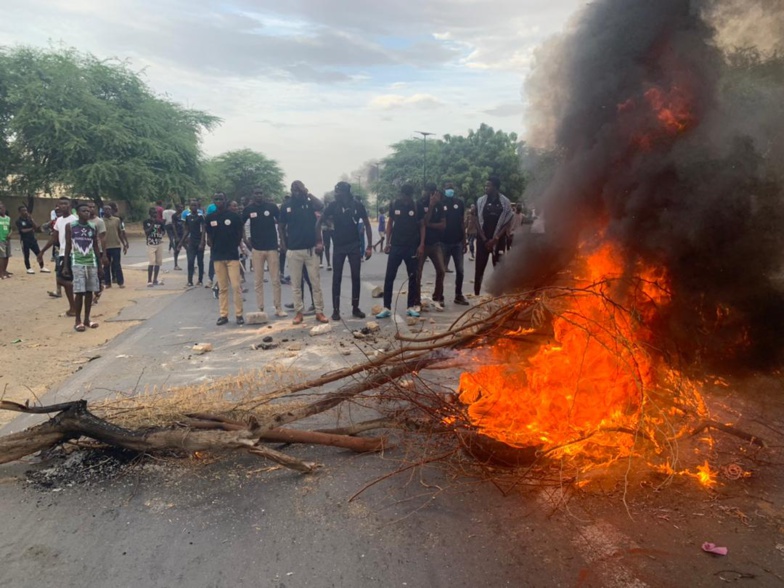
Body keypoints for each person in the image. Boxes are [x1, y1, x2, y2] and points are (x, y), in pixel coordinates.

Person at [279, 180, 329, 325]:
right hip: (294, 250)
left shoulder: (310, 203)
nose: (297, 192)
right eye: (294, 189)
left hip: (311, 250)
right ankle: (298, 313)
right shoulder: (286, 206)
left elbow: (321, 206)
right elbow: (281, 227)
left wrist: (308, 193)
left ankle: (319, 312)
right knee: (296, 284)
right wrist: (283, 245)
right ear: (291, 190)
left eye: (299, 189)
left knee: (315, 283)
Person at [322, 181, 373, 321]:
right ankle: (335, 310)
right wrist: (321, 240)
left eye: (338, 192)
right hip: (338, 246)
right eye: (335, 191)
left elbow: (367, 225)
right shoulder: (332, 206)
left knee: (355, 276)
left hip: (354, 245)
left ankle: (355, 307)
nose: (336, 194)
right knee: (336, 278)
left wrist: (369, 247)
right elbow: (320, 220)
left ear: (346, 192)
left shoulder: (357, 205)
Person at [376, 184, 424, 319]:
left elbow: (422, 225)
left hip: (412, 246)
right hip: (396, 246)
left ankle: (410, 307)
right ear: (401, 194)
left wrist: (421, 244)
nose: (406, 199)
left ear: (411, 195)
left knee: (413, 277)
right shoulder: (395, 204)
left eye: (408, 196)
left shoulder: (416, 206)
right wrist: (387, 243)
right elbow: (390, 223)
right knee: (389, 276)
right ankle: (386, 307)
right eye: (404, 196)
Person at [243, 188, 287, 318]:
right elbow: (242, 224)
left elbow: (280, 224)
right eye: (256, 193)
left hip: (272, 248)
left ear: (263, 195)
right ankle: (260, 308)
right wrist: (246, 240)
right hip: (257, 249)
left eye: (260, 193)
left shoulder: (272, 207)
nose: (259, 195)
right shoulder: (248, 209)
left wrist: (281, 241)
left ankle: (278, 308)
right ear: (253, 195)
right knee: (258, 281)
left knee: (275, 279)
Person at [63, 202, 104, 331]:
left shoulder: (93, 227)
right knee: (79, 291)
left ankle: (87, 319)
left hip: (91, 261)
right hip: (77, 261)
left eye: (88, 211)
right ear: (77, 213)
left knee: (89, 291)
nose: (87, 212)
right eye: (83, 211)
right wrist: (65, 265)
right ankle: (77, 320)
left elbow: (96, 247)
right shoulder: (70, 226)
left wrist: (100, 265)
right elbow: (68, 246)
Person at [205, 192, 245, 325]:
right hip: (217, 256)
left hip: (232, 256)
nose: (218, 201)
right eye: (216, 199)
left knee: (236, 286)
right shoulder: (210, 218)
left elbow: (240, 233)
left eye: (221, 199)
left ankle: (239, 314)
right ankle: (224, 315)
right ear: (213, 201)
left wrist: (234, 245)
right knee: (222, 288)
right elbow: (209, 235)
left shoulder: (234, 216)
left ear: (225, 200)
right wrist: (212, 244)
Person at [473, 176, 514, 296]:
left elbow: (507, 223)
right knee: (479, 267)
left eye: (488, 185)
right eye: (485, 185)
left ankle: (498, 293)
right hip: (483, 240)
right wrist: (485, 239)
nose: (485, 188)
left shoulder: (505, 203)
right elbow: (476, 220)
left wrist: (495, 239)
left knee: (499, 267)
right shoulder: (480, 201)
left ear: (495, 187)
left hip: (498, 240)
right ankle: (476, 293)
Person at [38, 197, 78, 315]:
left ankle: (74, 306)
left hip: (71, 254)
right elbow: (54, 238)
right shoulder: (59, 221)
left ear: (70, 205)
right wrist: (43, 251)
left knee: (62, 279)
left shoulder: (74, 220)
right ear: (57, 206)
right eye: (60, 204)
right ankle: (73, 307)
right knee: (62, 279)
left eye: (65, 203)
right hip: (61, 253)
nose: (63, 206)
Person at [417, 183, 447, 310]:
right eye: (427, 191)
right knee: (418, 273)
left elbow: (443, 225)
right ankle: (416, 300)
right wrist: (430, 206)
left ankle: (437, 297)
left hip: (435, 244)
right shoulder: (419, 203)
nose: (429, 194)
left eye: (431, 191)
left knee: (441, 270)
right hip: (422, 244)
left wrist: (428, 225)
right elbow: (423, 222)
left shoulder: (439, 205)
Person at [440, 183, 469, 305]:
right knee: (441, 271)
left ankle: (458, 295)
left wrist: (464, 240)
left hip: (457, 242)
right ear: (444, 190)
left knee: (460, 271)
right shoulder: (441, 203)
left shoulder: (459, 203)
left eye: (451, 188)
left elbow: (462, 222)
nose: (450, 191)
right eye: (447, 189)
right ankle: (439, 296)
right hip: (443, 242)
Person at [178, 199, 206, 287]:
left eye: (195, 205)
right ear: (189, 207)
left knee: (200, 262)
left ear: (198, 206)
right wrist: (181, 242)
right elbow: (186, 230)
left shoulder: (201, 216)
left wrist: (202, 242)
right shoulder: (188, 217)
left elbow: (203, 229)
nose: (194, 207)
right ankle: (190, 281)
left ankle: (200, 280)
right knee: (190, 261)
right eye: (192, 205)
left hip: (199, 241)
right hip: (191, 242)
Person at [15, 205, 50, 274]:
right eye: (23, 210)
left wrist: (32, 219)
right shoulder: (18, 221)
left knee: (38, 253)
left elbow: (36, 227)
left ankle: (42, 267)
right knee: (26, 254)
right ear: (19, 212)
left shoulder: (29, 219)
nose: (25, 212)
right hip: (25, 240)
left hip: (32, 239)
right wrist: (31, 229)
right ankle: (28, 268)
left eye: (26, 210)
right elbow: (22, 231)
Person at [102, 204, 128, 289]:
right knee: (106, 265)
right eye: (105, 209)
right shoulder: (101, 221)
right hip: (105, 247)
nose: (107, 211)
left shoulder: (117, 220)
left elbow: (120, 232)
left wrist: (124, 243)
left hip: (116, 245)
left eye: (109, 209)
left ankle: (120, 282)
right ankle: (107, 283)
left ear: (111, 210)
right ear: (103, 211)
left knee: (117, 265)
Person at [143, 207, 166, 287]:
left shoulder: (160, 222)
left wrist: (161, 233)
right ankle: (149, 280)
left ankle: (155, 279)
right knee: (151, 262)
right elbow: (147, 232)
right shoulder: (146, 222)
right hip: (151, 244)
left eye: (156, 213)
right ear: (150, 214)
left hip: (159, 243)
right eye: (153, 213)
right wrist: (152, 224)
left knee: (158, 262)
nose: (155, 214)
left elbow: (163, 230)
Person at [0, 202, 12, 279]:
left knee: (7, 256)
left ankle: (4, 271)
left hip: (7, 240)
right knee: (2, 256)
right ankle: (1, 273)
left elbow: (10, 229)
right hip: (1, 240)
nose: (1, 210)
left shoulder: (8, 218)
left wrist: (10, 234)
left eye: (2, 208)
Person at [171, 203, 185, 271]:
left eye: (182, 207)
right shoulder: (174, 215)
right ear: (176, 208)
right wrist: (176, 236)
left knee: (189, 249)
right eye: (180, 207)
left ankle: (191, 264)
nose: (181, 209)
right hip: (178, 234)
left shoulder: (184, 215)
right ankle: (175, 265)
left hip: (184, 234)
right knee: (177, 250)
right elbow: (173, 225)